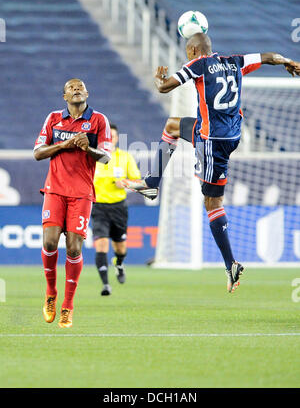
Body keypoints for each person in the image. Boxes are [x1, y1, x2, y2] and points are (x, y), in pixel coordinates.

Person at [122, 33, 300, 292]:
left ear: (193, 50)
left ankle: (231, 264)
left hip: (212, 140)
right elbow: (269, 56)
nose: (187, 56)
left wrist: (158, 78)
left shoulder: (198, 65)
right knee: (172, 126)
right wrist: (288, 61)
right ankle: (151, 182)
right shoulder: (234, 61)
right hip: (232, 134)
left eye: (187, 51)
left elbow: (164, 87)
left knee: (212, 203)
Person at [34, 78, 112, 328]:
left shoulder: (99, 120)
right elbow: (37, 152)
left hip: (81, 193)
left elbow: (106, 157)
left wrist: (88, 148)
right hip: (55, 189)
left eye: (80, 86)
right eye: (71, 88)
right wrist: (64, 144)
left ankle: (68, 305)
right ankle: (51, 294)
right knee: (49, 241)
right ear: (64, 97)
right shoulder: (53, 118)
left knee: (74, 249)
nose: (76, 89)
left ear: (87, 93)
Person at [92, 123, 141, 296]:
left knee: (120, 248)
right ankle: (106, 285)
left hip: (118, 207)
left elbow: (139, 181)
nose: (109, 139)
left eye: (111, 136)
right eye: (105, 136)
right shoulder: (92, 157)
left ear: (116, 138)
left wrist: (125, 183)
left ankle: (119, 264)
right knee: (101, 243)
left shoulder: (125, 157)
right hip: (98, 207)